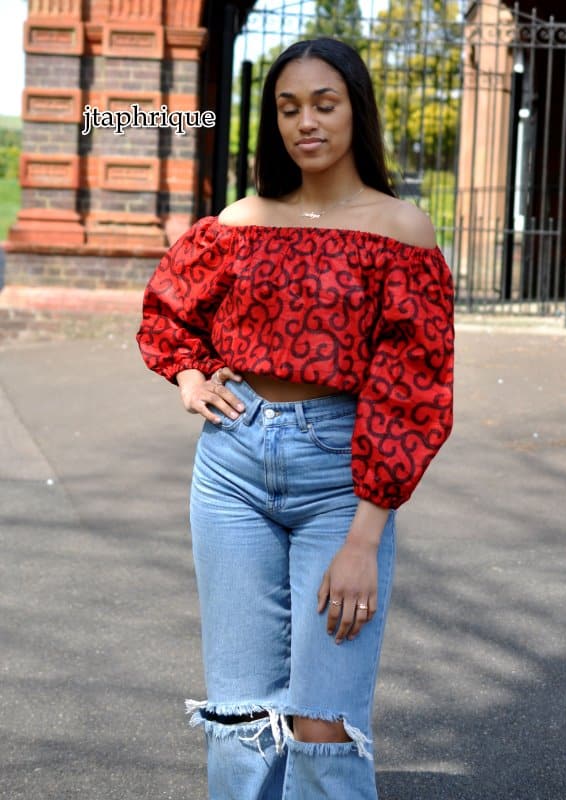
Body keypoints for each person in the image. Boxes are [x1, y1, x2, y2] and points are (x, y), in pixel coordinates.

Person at [136, 36, 454, 800]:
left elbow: (413, 390)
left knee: (322, 719)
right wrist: (185, 372)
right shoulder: (242, 220)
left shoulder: (401, 231)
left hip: (341, 475)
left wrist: (365, 539)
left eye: (323, 103)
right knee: (243, 714)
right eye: (287, 108)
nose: (304, 122)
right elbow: (169, 310)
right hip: (232, 465)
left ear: (355, 111)